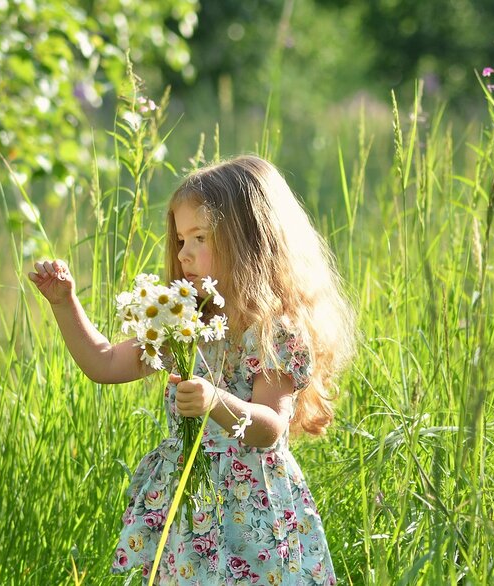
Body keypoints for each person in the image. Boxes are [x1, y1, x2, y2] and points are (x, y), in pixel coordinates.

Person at [28, 155, 357, 585]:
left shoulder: (275, 332)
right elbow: (104, 362)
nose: (183, 253)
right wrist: (64, 303)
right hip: (189, 516)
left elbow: (269, 426)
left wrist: (214, 400)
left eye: (199, 237)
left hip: (252, 514)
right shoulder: (186, 325)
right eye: (180, 239)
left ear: (248, 241)